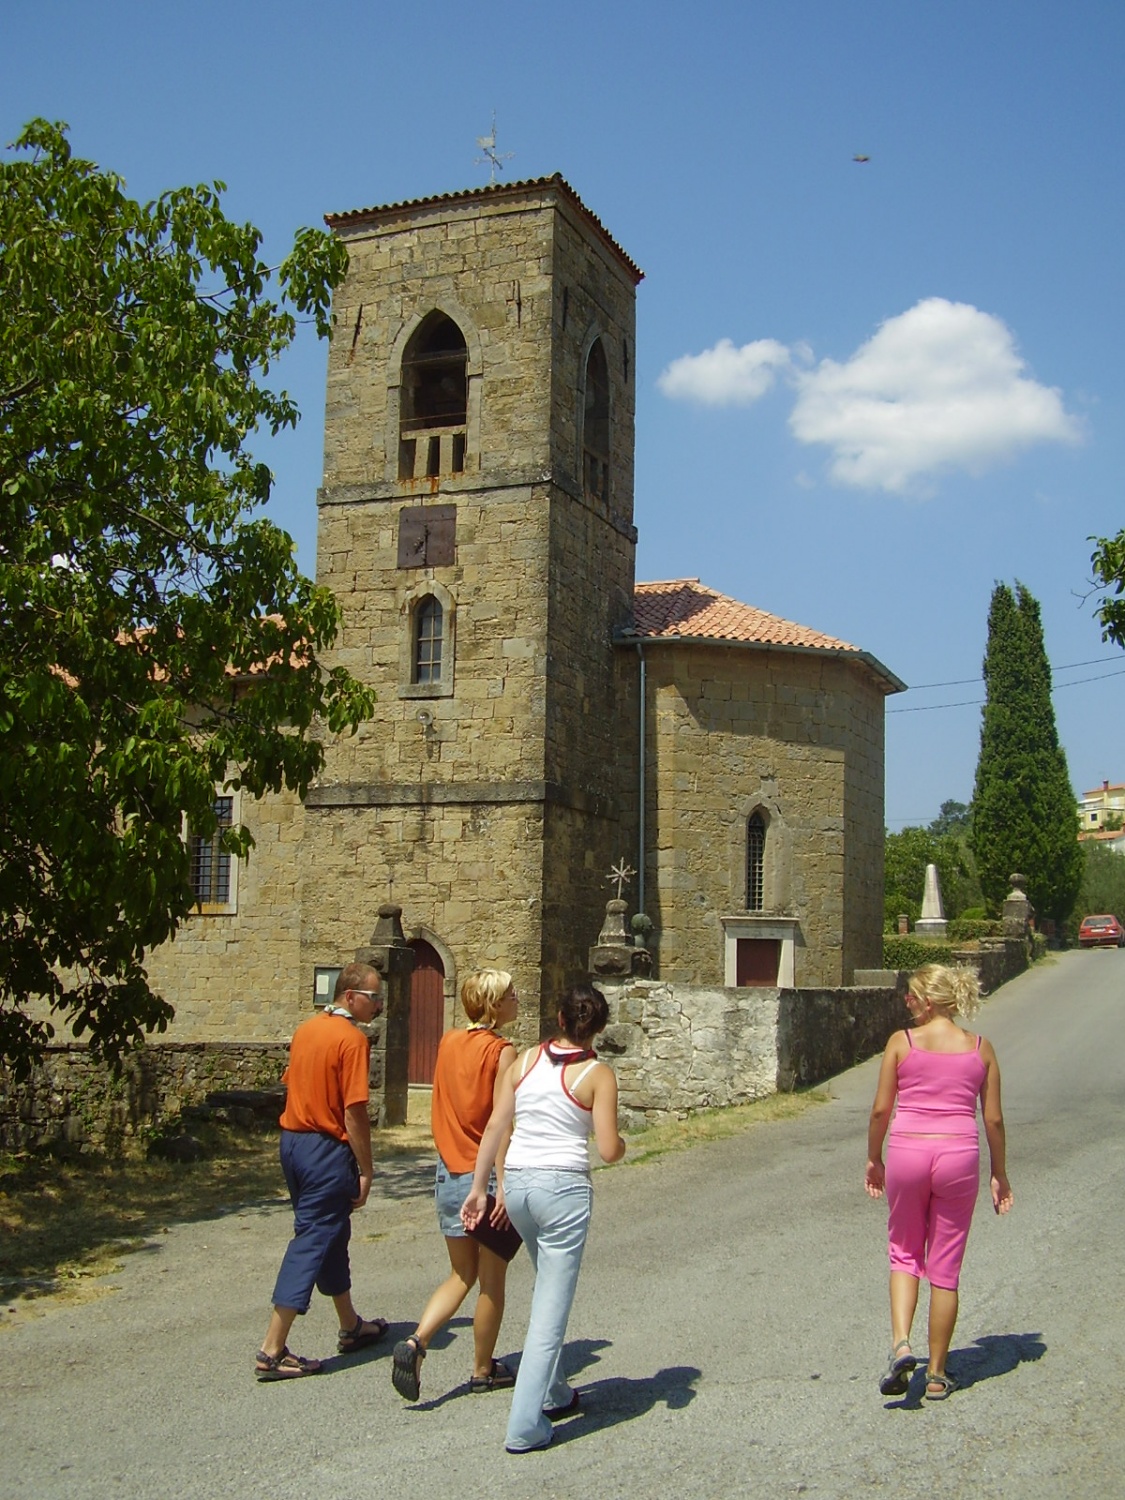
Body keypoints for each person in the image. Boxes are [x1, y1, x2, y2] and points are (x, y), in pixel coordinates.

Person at [462, 982, 626, 1454]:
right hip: (563, 1190)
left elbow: (497, 1125)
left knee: (544, 1284)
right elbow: (610, 1150)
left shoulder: (524, 1061)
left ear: (558, 1019)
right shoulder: (598, 1074)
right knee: (551, 1310)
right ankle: (525, 1424)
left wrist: (479, 1189)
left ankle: (554, 1390)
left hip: (518, 1185)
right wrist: (620, 1142)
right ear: (597, 1027)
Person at [865, 963, 1013, 1401]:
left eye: (910, 996)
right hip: (958, 1157)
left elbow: (879, 1111)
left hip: (909, 1152)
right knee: (945, 1269)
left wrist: (874, 1158)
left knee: (904, 1252)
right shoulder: (981, 1049)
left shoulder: (902, 1043)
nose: (906, 1003)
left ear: (928, 1001)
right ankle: (937, 1372)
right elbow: (994, 1119)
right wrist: (999, 1173)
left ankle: (901, 1345)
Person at [254, 962, 389, 1380]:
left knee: (331, 1231)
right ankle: (272, 1349)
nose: (379, 1006)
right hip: (325, 1149)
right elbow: (354, 1110)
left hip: (292, 1144)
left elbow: (294, 1083)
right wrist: (366, 1169)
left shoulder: (306, 1030)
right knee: (312, 1238)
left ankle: (350, 1325)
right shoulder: (351, 1040)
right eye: (373, 997)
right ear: (350, 997)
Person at [391, 968, 520, 1401]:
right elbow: (499, 1125)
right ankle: (483, 1369)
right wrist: (501, 1184)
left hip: (447, 1173)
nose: (517, 999)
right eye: (510, 994)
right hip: (481, 1179)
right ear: (494, 1005)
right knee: (491, 1283)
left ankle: (416, 1342)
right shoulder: (503, 1052)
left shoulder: (447, 1042)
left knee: (459, 1274)